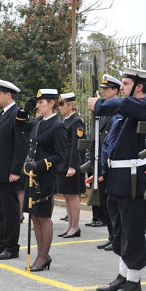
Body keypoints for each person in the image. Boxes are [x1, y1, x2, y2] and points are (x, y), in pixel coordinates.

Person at [88, 67, 146, 291]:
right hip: (116, 176)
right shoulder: (123, 111)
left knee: (132, 228)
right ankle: (123, 274)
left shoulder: (144, 106)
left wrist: (100, 104)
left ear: (139, 87)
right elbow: (109, 145)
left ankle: (134, 281)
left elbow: (122, 104)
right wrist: (102, 170)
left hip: (133, 176)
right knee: (118, 229)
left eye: (126, 83)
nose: (122, 87)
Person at [16, 89, 66, 271]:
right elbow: (19, 127)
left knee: (44, 216)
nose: (37, 105)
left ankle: (44, 256)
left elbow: (60, 155)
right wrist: (23, 111)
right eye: (37, 103)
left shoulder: (58, 126)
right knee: (34, 216)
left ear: (51, 103)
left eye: (41, 102)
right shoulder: (38, 122)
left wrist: (40, 164)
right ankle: (40, 254)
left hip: (45, 176)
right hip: (31, 175)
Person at [0, 79, 28, 260]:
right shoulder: (3, 114)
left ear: (8, 95)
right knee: (1, 210)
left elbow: (21, 146)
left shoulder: (17, 114)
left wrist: (16, 170)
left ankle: (12, 246)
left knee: (10, 211)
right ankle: (2, 243)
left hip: (9, 171)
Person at [87, 74, 121, 251]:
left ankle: (116, 237)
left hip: (112, 163)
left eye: (107, 89)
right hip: (101, 160)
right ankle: (111, 235)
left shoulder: (117, 109)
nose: (103, 91)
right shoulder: (103, 109)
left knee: (112, 203)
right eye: (103, 88)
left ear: (116, 91)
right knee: (106, 203)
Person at [57, 92, 85, 238]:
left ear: (70, 105)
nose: (59, 107)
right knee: (67, 196)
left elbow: (77, 146)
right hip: (63, 163)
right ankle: (70, 226)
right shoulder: (65, 121)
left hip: (71, 164)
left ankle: (75, 227)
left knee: (73, 196)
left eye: (62, 104)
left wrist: (73, 166)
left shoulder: (76, 122)